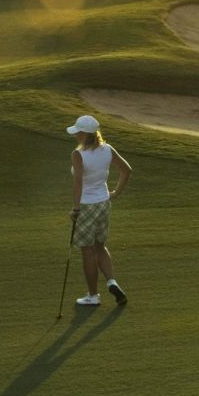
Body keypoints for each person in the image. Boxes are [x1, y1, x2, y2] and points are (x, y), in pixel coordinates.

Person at [66, 114, 132, 307]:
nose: (76, 134)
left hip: (86, 206)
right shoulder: (107, 150)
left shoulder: (78, 155)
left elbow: (78, 182)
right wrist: (115, 193)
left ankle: (93, 296)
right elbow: (127, 170)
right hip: (103, 203)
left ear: (84, 134)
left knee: (87, 252)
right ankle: (112, 282)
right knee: (100, 247)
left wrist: (75, 209)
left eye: (78, 131)